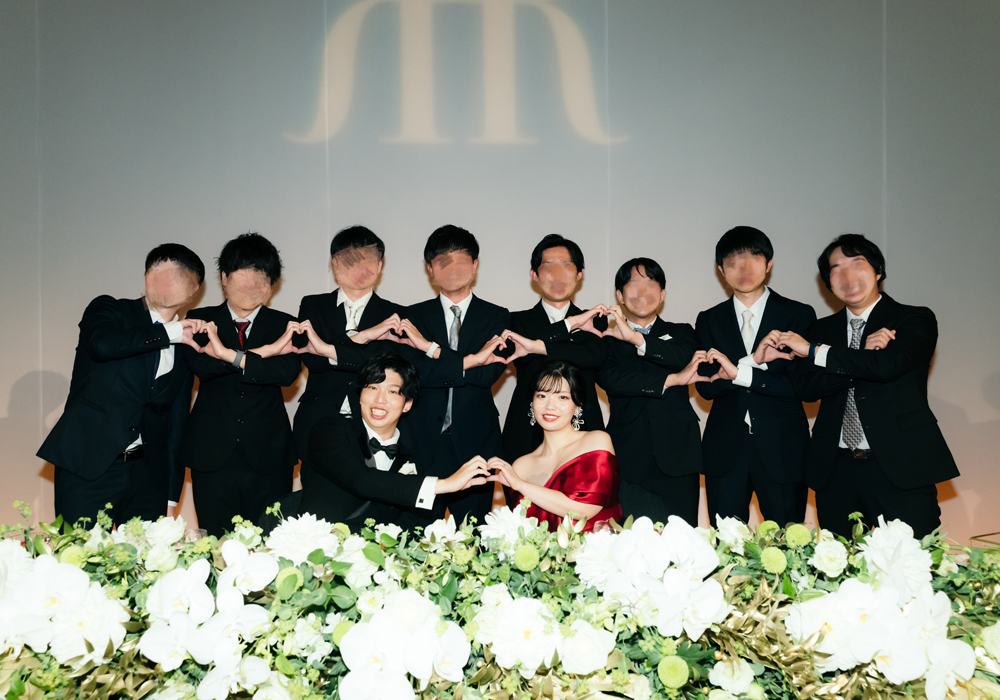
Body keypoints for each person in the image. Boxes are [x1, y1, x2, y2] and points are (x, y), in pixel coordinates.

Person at [785, 234, 958, 538]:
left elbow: (887, 366)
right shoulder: (820, 329)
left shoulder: (913, 318)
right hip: (835, 469)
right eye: (836, 268)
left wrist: (816, 352)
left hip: (899, 464)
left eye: (857, 263)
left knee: (914, 557)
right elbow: (805, 387)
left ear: (878, 271)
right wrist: (862, 355)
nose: (848, 276)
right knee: (839, 561)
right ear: (828, 282)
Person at [39, 244, 206, 526]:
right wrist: (171, 332)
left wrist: (171, 496)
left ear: (194, 289)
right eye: (158, 272)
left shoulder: (187, 345)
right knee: (78, 551)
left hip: (147, 477)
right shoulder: (111, 309)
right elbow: (102, 345)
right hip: (88, 467)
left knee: (146, 556)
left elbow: (176, 425)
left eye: (177, 275)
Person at [180, 233, 301, 537]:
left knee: (271, 543)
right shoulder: (200, 320)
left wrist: (225, 354)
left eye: (261, 277)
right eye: (243, 275)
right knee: (214, 543)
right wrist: (265, 354)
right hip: (211, 453)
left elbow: (286, 373)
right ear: (224, 277)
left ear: (271, 284)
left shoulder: (285, 324)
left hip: (269, 454)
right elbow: (201, 366)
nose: (251, 285)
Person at [695, 227, 816, 526]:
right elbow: (707, 387)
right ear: (721, 270)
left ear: (769, 263)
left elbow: (800, 386)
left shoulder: (798, 314)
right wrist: (751, 366)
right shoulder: (709, 319)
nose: (744, 269)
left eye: (752, 259)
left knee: (789, 542)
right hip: (725, 448)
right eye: (733, 262)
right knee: (725, 544)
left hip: (783, 446)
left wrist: (737, 373)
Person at [394, 225, 510, 523]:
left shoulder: (497, 316)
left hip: (475, 443)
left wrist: (430, 348)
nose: (453, 270)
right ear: (430, 269)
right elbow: (415, 375)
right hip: (420, 441)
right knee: (414, 537)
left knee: (474, 537)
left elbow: (486, 376)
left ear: (475, 265)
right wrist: (472, 361)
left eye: (461, 261)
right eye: (443, 262)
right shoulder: (413, 317)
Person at [300, 352, 491, 527]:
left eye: (392, 391)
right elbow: (360, 480)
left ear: (407, 404)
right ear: (360, 396)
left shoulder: (412, 462)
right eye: (372, 387)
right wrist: (444, 484)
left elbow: (406, 526)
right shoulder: (329, 430)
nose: (379, 399)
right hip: (319, 547)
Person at [597, 258, 709, 526]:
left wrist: (636, 338)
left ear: (663, 294)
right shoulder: (606, 340)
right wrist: (671, 380)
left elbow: (682, 358)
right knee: (630, 540)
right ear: (619, 295)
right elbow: (612, 379)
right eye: (633, 284)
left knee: (683, 540)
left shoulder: (682, 332)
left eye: (650, 284)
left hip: (678, 455)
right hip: (628, 455)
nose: (642, 291)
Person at [293, 226, 402, 474]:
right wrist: (365, 336)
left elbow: (384, 365)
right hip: (318, 422)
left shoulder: (395, 314)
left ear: (379, 266)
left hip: (373, 425)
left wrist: (328, 349)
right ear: (335, 264)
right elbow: (312, 359)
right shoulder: (313, 304)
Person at [501, 234, 609, 464]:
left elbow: (594, 357)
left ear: (579, 274)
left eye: (566, 266)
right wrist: (569, 325)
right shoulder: (516, 321)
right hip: (527, 432)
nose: (558, 275)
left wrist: (537, 347)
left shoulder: (594, 319)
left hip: (583, 427)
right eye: (549, 267)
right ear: (534, 274)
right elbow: (521, 358)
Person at [486, 360, 622, 532]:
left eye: (562, 397)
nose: (550, 406)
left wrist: (521, 485)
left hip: (593, 547)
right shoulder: (521, 465)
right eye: (542, 396)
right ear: (532, 401)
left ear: (578, 403)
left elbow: (584, 510)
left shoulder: (596, 441)